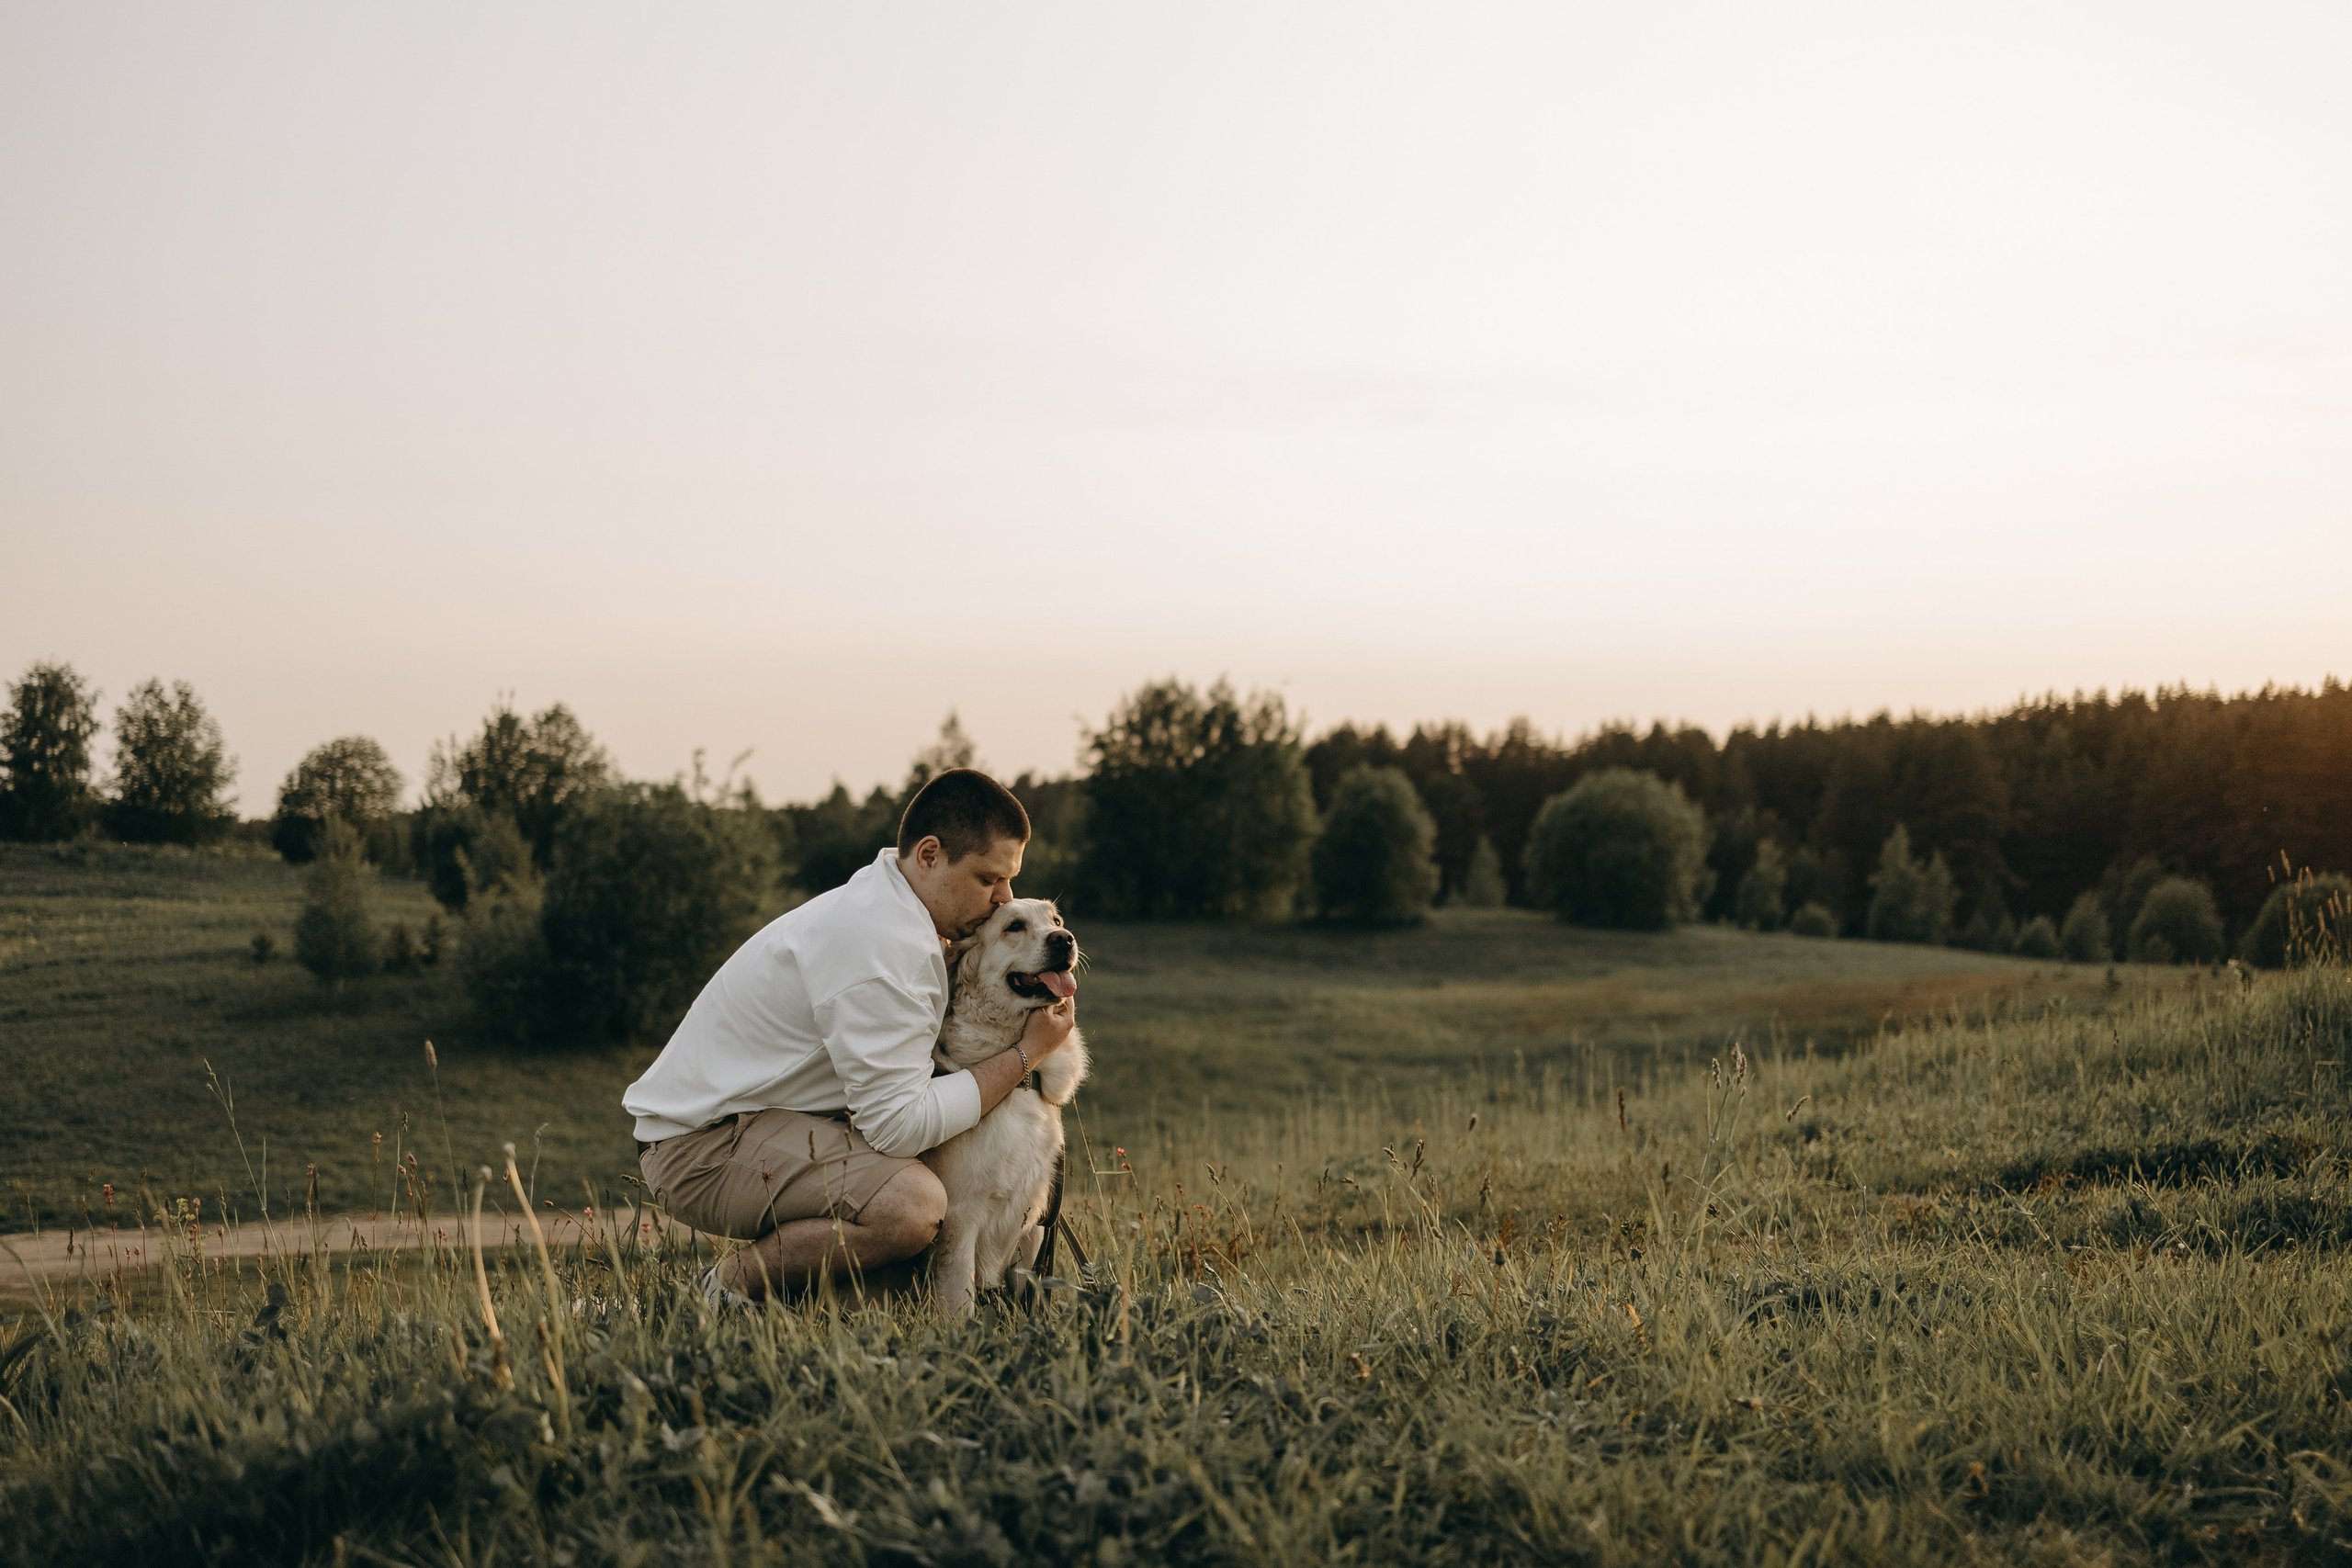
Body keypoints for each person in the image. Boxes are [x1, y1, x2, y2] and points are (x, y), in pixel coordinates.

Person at [623, 767, 1076, 1303]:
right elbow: (898, 1127)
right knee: (912, 1208)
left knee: (902, 1271)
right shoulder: (880, 947)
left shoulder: (892, 911)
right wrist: (1026, 1055)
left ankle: (793, 1310)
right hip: (702, 1144)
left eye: (1009, 880)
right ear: (929, 855)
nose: (1004, 898)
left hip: (766, 1120)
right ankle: (720, 1290)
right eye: (988, 879)